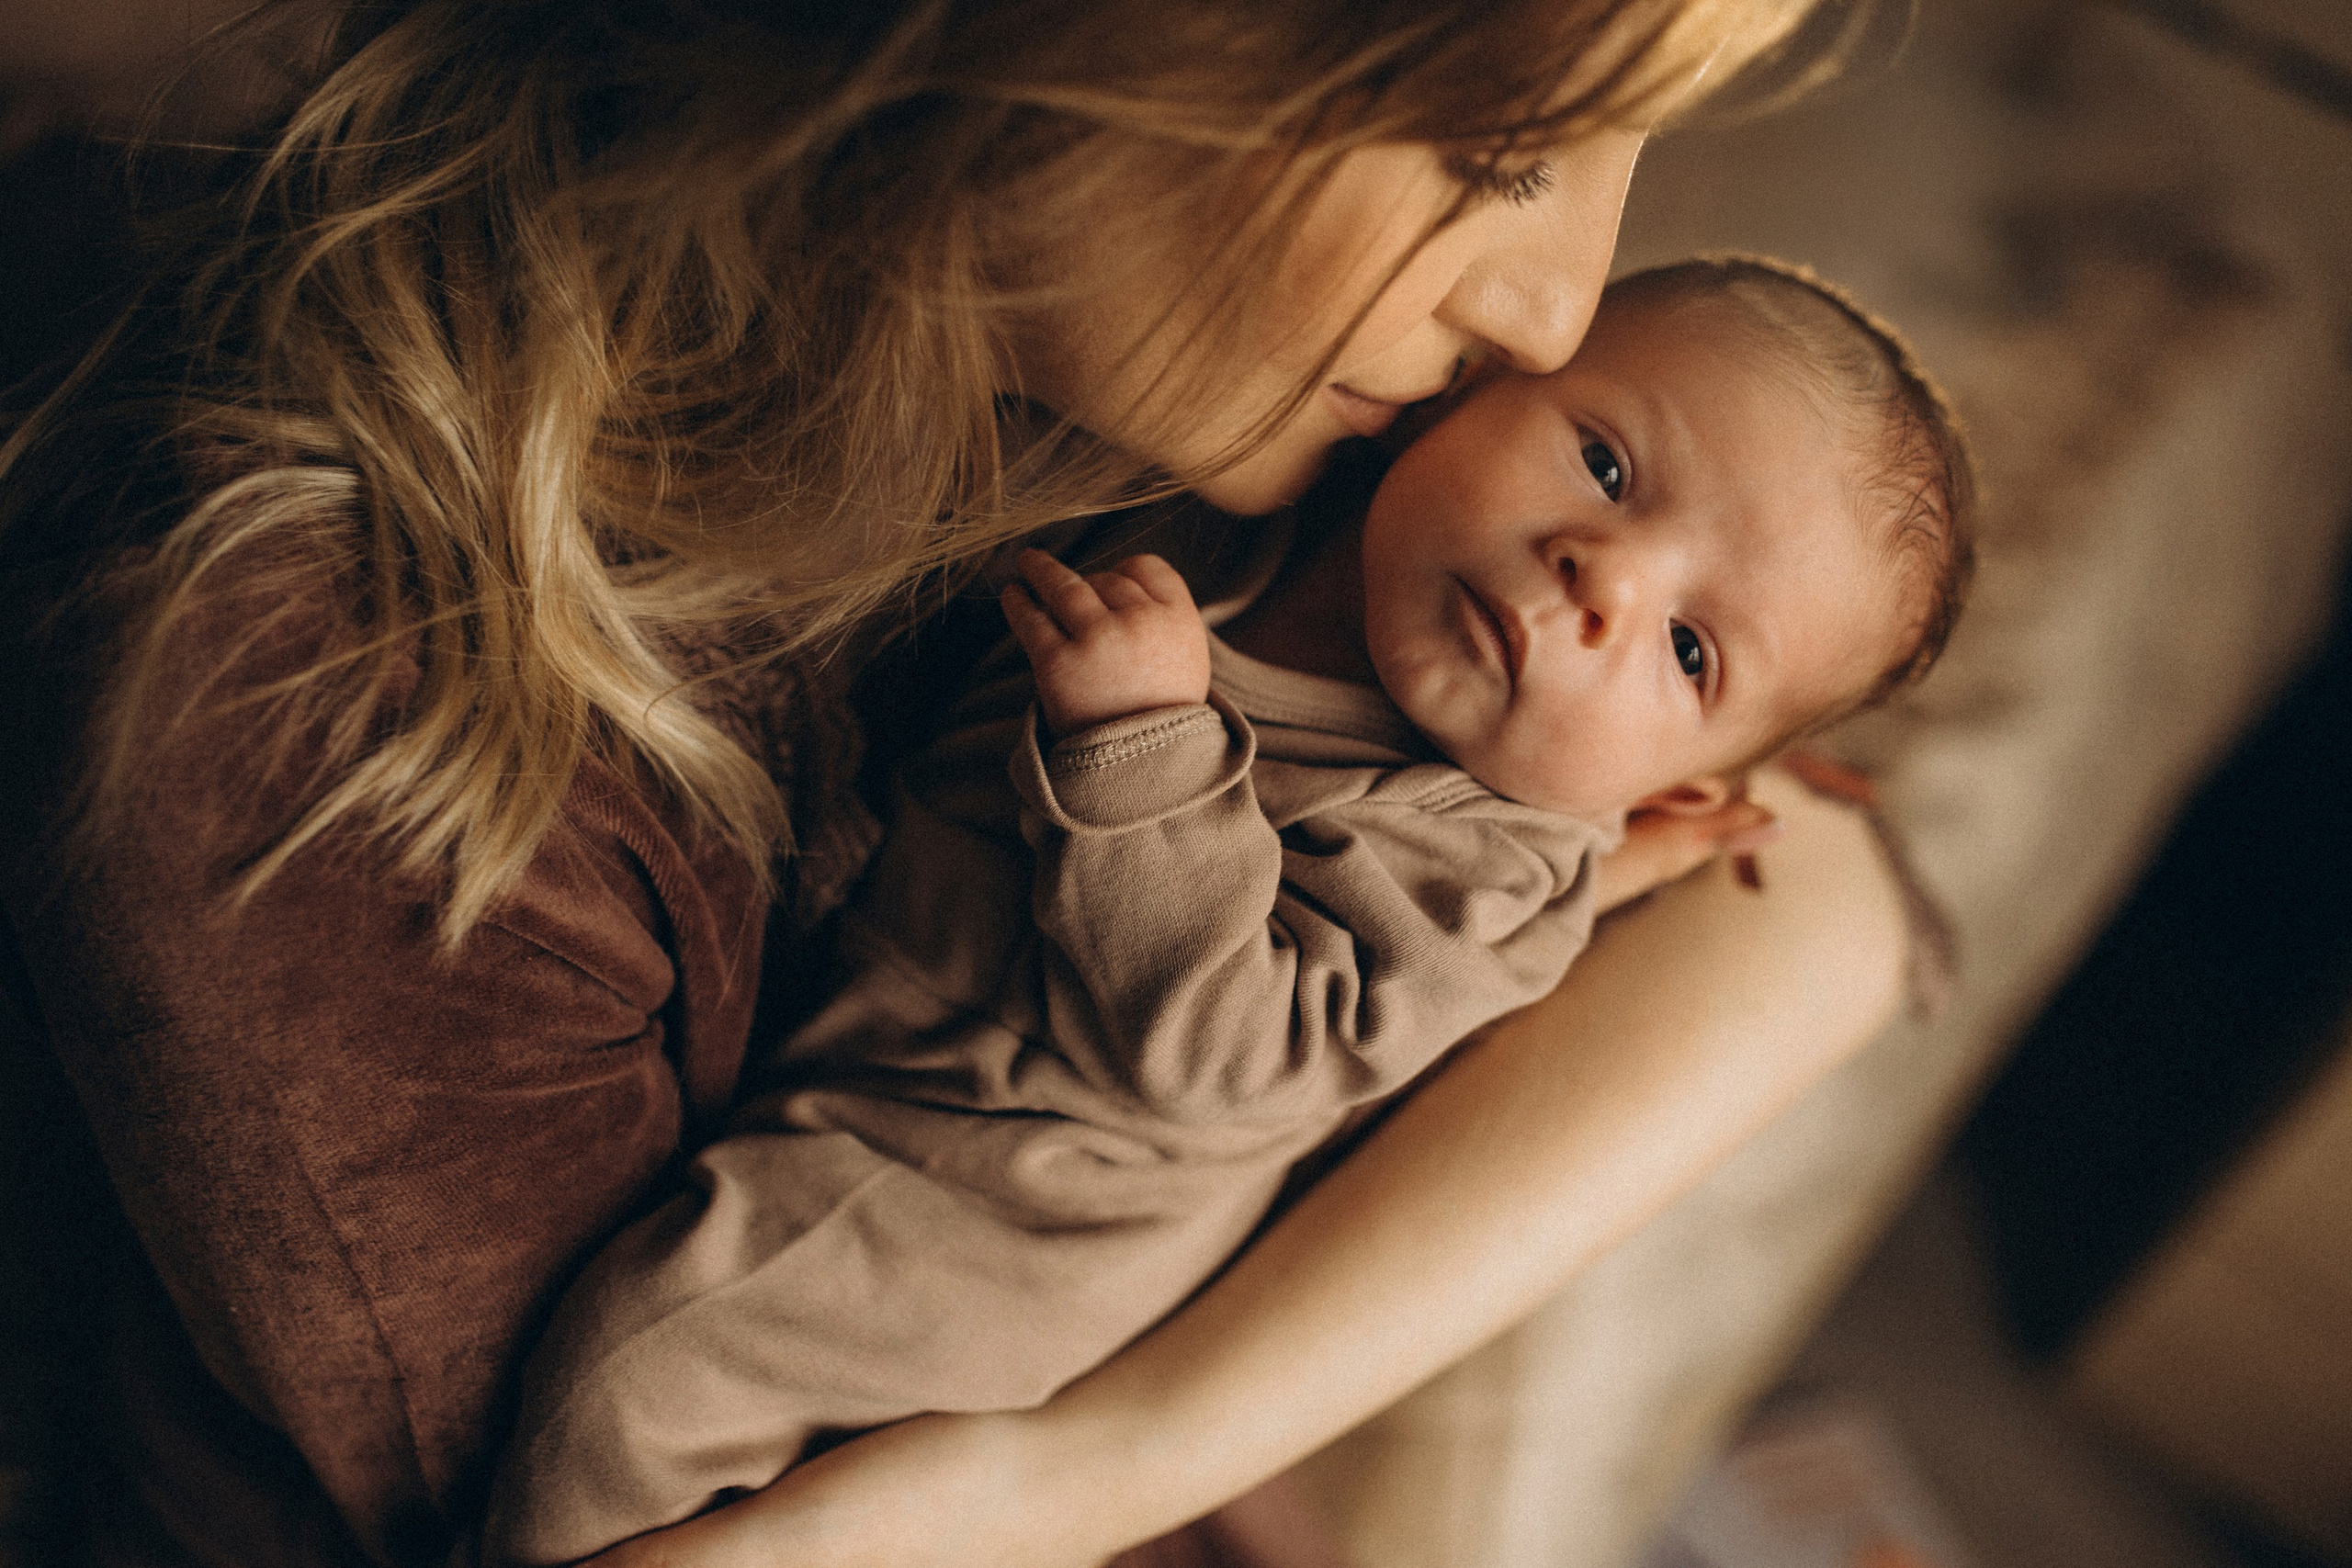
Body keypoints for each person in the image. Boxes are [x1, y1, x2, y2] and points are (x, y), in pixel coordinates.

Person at [0, 5, 1910, 1567]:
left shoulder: (1213, 433)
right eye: (1499, 141)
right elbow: (646, 1493)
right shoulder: (309, 707)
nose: (1557, 310)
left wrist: (1110, 1456)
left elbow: (1820, 893)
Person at [489, 256, 1972, 1565]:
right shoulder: (1252, 536)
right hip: (874, 1020)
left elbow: (1225, 1057)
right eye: (1602, 460)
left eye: (1694, 652)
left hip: (978, 1216)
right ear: (1471, 394)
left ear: (1678, 791)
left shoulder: (1492, 866)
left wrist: (1145, 752)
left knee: (627, 1402)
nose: (1607, 573)